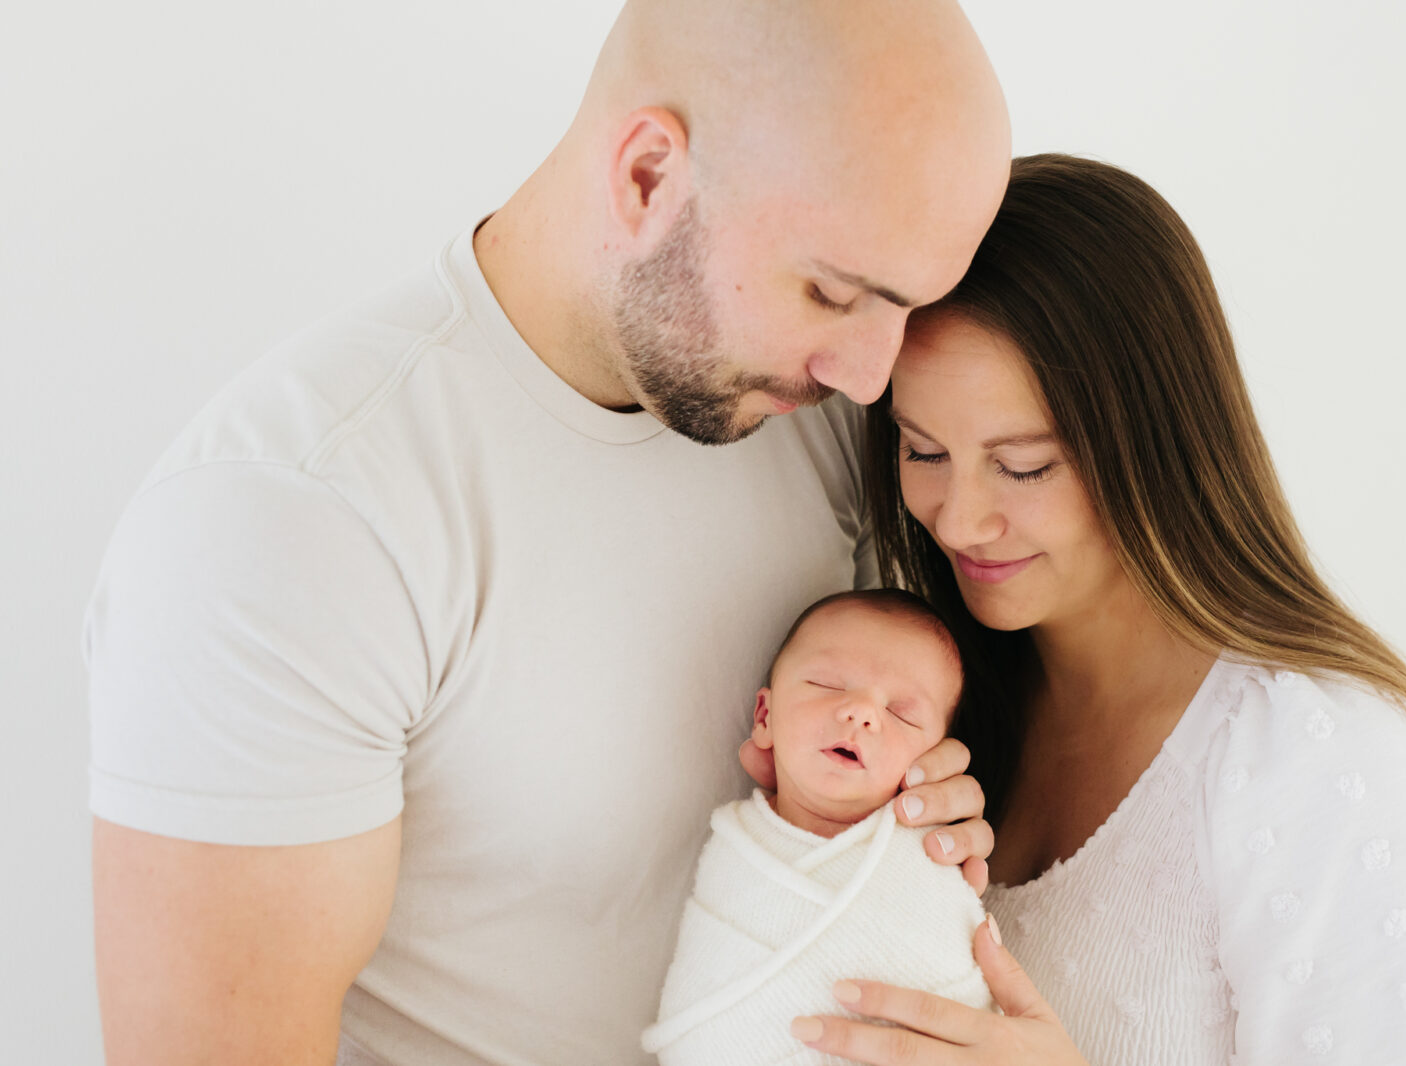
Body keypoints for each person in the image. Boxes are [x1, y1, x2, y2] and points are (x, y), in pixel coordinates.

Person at [82, 3, 1011, 1064]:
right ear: (649, 176)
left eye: (902, 309)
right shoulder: (290, 520)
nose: (869, 374)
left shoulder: (816, 420)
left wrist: (906, 833)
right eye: (833, 292)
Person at [788, 155, 1406, 1065]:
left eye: (1024, 466)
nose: (960, 519)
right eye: (923, 450)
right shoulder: (944, 717)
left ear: (1154, 447)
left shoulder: (1314, 764)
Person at [643, 589, 991, 1065]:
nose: (862, 712)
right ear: (764, 716)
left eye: (902, 714)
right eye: (827, 684)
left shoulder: (931, 859)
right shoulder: (738, 844)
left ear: (935, 762)